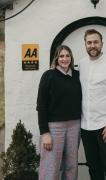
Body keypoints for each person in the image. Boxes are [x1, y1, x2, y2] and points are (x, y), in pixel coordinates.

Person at [78, 29, 106, 180]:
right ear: (85, 44)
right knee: (93, 166)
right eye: (89, 42)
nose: (93, 45)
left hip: (105, 126)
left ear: (102, 44)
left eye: (96, 42)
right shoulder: (81, 64)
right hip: (86, 126)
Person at [36, 45, 82, 180]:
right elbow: (41, 105)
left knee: (71, 165)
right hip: (54, 128)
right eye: (61, 56)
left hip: (74, 125)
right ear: (56, 58)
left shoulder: (77, 75)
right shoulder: (48, 76)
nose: (65, 59)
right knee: (51, 165)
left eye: (67, 56)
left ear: (71, 58)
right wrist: (44, 133)